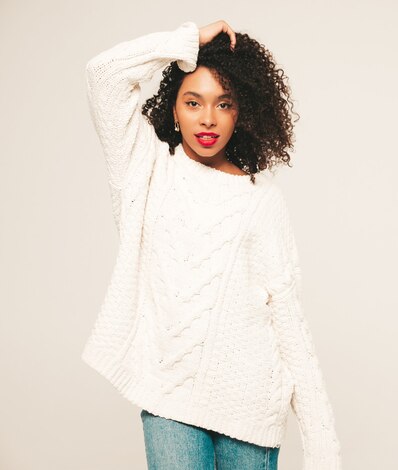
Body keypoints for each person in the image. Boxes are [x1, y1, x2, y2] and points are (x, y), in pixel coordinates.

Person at [81, 19, 342, 470]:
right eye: (192, 101)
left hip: (250, 410)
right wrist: (184, 43)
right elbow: (103, 75)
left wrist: (321, 444)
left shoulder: (262, 203)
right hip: (169, 398)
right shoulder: (144, 171)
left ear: (243, 112)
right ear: (173, 109)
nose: (207, 118)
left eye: (224, 104)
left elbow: (288, 323)